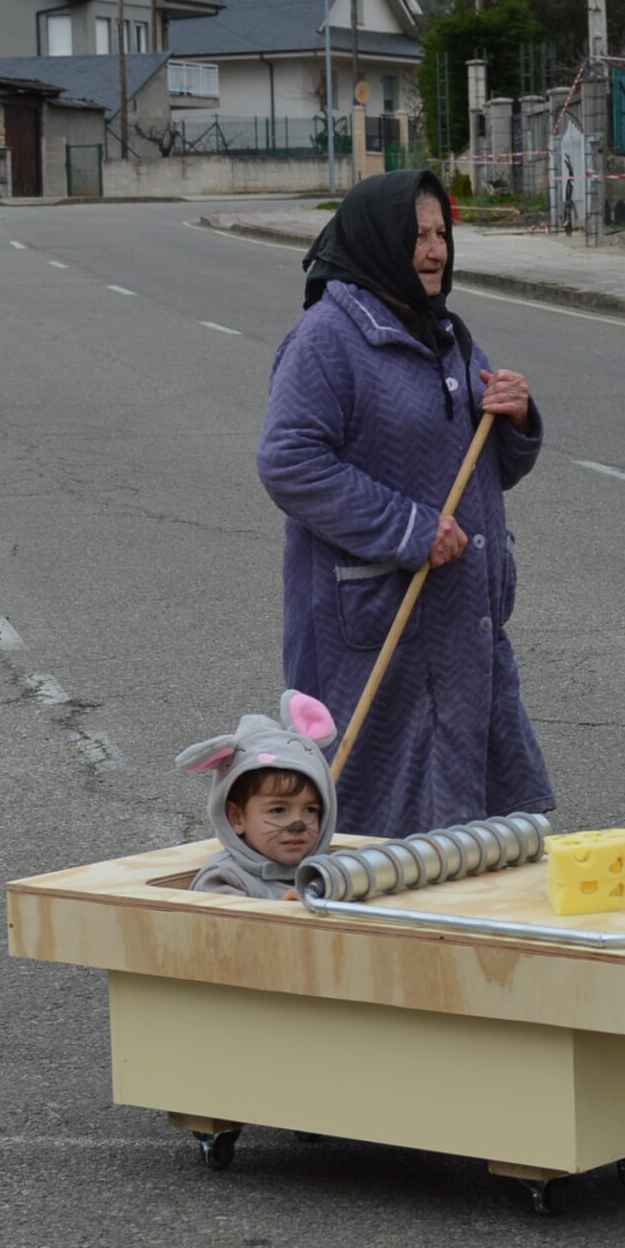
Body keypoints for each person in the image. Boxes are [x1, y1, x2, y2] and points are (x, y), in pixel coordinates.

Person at [258, 170, 552, 837]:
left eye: (442, 233)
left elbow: (489, 469)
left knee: (475, 838)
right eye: (417, 235)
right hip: (375, 626)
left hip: (460, 629)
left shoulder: (447, 334)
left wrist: (517, 417)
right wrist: (408, 528)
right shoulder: (325, 341)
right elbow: (288, 461)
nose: (435, 250)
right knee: (377, 836)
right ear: (378, 240)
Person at [176, 692, 339, 899]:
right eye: (278, 810)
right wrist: (284, 915)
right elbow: (223, 928)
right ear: (236, 818)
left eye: (310, 809)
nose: (298, 824)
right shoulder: (223, 880)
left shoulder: (333, 871)